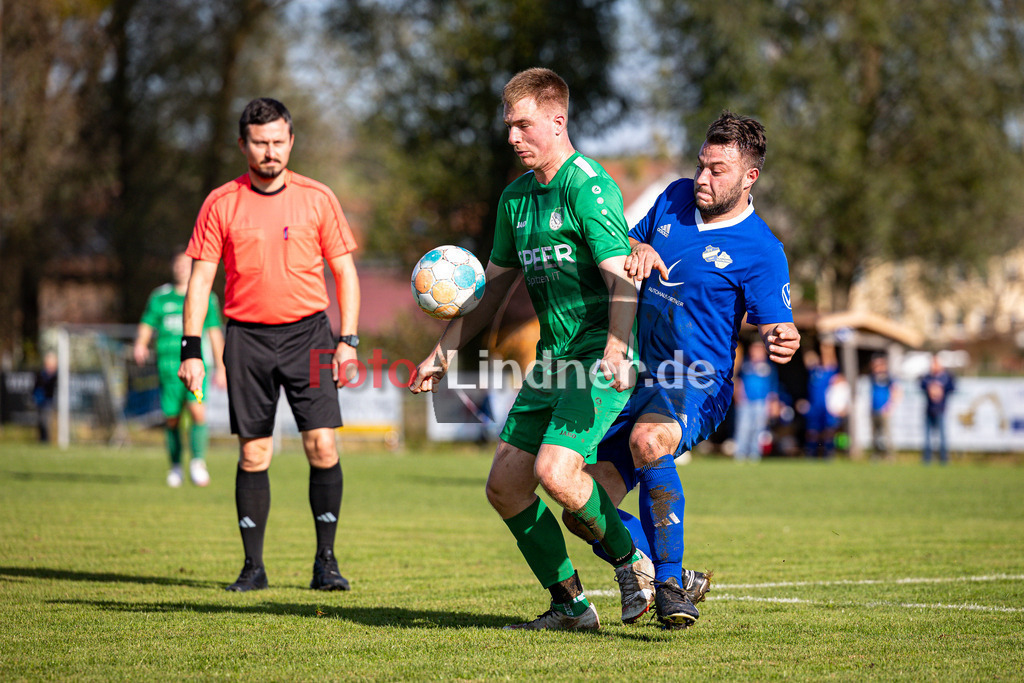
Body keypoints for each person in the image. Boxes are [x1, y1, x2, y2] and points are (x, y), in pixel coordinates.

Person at [411, 68, 651, 632]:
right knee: (505, 487)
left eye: (524, 125)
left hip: (596, 355)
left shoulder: (588, 187)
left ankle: (634, 566)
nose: (513, 137)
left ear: (557, 120)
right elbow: (490, 292)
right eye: (509, 126)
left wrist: (618, 347)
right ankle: (570, 605)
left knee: (557, 473)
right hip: (551, 361)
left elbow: (623, 278)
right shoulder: (515, 199)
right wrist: (441, 355)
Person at [561, 111, 800, 628]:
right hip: (636, 378)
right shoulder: (672, 198)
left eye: (717, 170)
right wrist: (639, 247)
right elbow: (621, 246)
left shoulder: (762, 250)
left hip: (697, 382)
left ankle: (668, 588)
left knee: (650, 441)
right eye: (700, 165)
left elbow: (777, 323)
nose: (702, 178)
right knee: (582, 508)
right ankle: (672, 572)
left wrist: (785, 335)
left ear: (750, 177)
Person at [179, 97, 361, 592]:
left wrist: (347, 340)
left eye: (279, 141)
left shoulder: (318, 198)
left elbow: (345, 273)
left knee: (322, 445)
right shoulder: (221, 202)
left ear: (291, 142)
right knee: (254, 452)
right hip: (246, 338)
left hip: (310, 335)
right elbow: (200, 282)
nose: (270, 151)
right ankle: (253, 569)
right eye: (260, 143)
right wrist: (191, 351)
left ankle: (326, 564)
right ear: (243, 145)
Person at [134, 251, 226, 487]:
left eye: (187, 264)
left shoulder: (206, 296)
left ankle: (198, 463)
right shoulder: (160, 297)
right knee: (172, 418)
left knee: (197, 411)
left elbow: (214, 332)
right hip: (168, 368)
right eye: (178, 264)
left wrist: (221, 366)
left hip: (198, 367)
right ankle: (175, 466)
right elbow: (147, 323)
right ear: (173, 267)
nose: (182, 268)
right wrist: (141, 344)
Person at [734, 342, 779, 462]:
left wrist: (773, 403)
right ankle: (740, 454)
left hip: (761, 403)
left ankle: (755, 454)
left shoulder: (769, 367)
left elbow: (773, 386)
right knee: (743, 428)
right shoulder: (745, 364)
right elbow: (738, 380)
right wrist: (738, 395)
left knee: (758, 429)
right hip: (745, 402)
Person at [803, 345, 841, 459]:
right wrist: (805, 343)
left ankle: (828, 452)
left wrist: (827, 346)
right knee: (812, 431)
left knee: (828, 430)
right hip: (814, 406)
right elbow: (808, 357)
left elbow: (830, 357)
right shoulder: (814, 371)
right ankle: (811, 452)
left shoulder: (830, 372)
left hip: (827, 406)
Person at [920, 354, 955, 464]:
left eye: (936, 363)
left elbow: (952, 387)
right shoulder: (927, 376)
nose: (933, 365)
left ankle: (944, 458)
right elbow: (921, 384)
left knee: (942, 436)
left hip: (941, 409)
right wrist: (931, 387)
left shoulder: (947, 377)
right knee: (927, 437)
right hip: (929, 409)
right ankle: (927, 459)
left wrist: (940, 388)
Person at [869, 354, 901, 459]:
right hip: (874, 409)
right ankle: (876, 454)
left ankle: (890, 454)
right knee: (875, 435)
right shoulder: (873, 377)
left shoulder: (889, 378)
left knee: (887, 434)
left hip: (884, 410)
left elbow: (896, 391)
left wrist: (890, 407)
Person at [33, 351, 58, 443]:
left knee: (47, 422)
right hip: (41, 401)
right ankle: (42, 440)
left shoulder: (57, 375)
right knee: (41, 422)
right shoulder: (41, 374)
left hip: (50, 402)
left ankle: (47, 440)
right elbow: (36, 387)